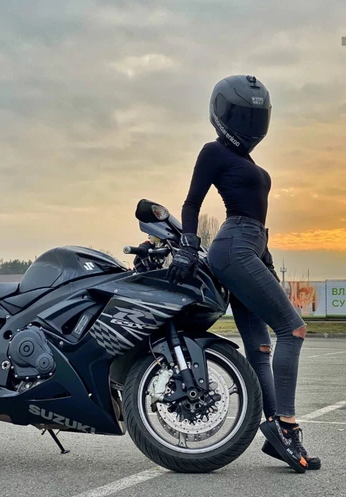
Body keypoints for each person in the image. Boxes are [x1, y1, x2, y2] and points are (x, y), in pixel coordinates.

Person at [167, 74, 320, 473]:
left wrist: (266, 258)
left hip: (253, 247)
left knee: (262, 348)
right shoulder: (213, 151)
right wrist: (186, 243)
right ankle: (287, 423)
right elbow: (191, 204)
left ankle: (278, 436)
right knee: (294, 329)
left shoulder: (247, 162)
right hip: (233, 246)